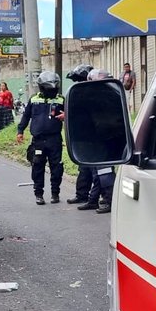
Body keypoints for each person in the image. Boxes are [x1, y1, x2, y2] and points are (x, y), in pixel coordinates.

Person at [16, 71, 65, 205]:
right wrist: (20, 131)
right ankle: (39, 194)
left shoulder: (61, 100)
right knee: (37, 166)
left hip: (54, 140)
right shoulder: (34, 99)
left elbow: (70, 115)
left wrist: (66, 116)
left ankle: (55, 193)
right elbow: (26, 116)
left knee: (57, 167)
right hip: (38, 140)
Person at [80, 68, 116, 214]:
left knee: (105, 172)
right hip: (95, 140)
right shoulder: (94, 97)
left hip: (106, 140)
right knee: (96, 172)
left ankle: (109, 201)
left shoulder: (109, 96)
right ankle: (93, 200)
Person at [64, 64, 95, 205]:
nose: (78, 84)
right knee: (83, 166)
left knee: (96, 168)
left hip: (96, 136)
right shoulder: (79, 93)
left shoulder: (96, 94)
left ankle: (97, 197)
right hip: (82, 135)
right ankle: (82, 194)